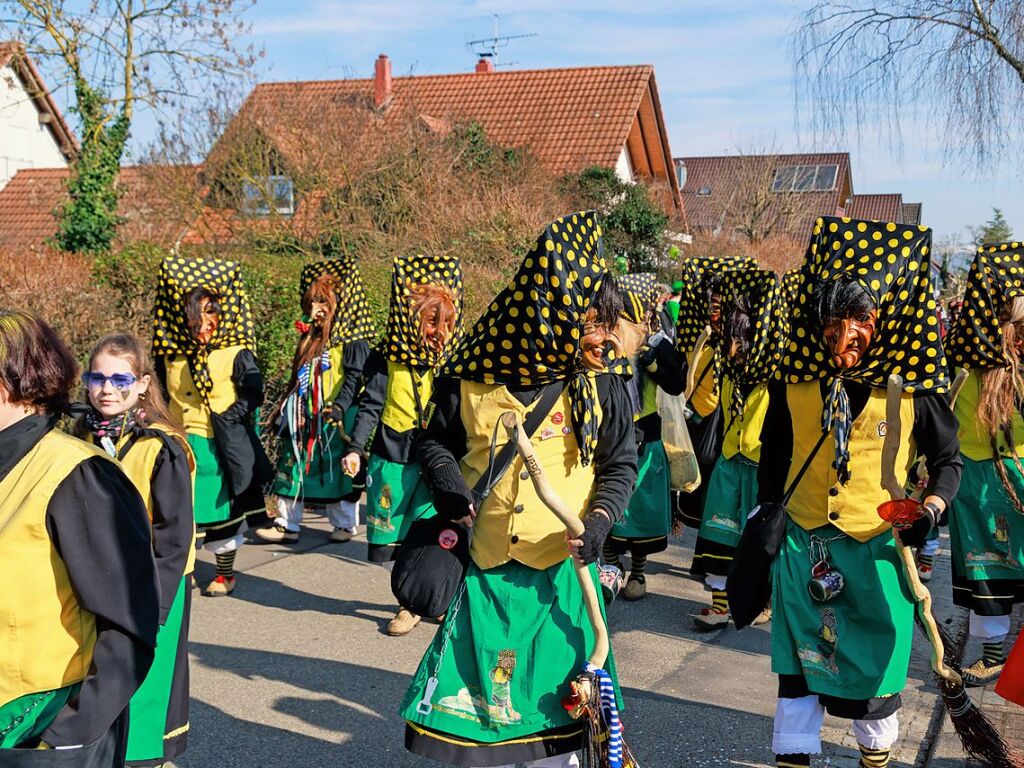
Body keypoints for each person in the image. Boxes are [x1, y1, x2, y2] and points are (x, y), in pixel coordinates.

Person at [402, 211, 638, 768]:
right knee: (482, 732)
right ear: (551, 314)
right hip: (484, 576)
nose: (605, 339)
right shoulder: (471, 375)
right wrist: (454, 495)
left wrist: (601, 521)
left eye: (609, 324)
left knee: (557, 730)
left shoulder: (602, 384)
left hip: (562, 583)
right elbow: (434, 443)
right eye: (592, 322)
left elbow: (620, 464)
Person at [757, 216, 961, 768]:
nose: (844, 336)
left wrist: (929, 513)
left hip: (878, 555)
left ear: (886, 316)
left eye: (861, 319)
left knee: (874, 694)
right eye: (832, 319)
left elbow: (947, 462)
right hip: (803, 551)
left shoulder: (914, 386)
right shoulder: (793, 377)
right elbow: (774, 457)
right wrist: (762, 520)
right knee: (798, 682)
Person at [0, 310, 159, 762]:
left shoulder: (78, 476)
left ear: (17, 384)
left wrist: (70, 733)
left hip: (39, 728)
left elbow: (128, 624)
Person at [77, 333, 195, 767]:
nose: (107, 389)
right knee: (101, 672)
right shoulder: (79, 433)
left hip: (153, 581)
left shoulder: (161, 446)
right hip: (98, 578)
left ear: (144, 383)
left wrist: (156, 604)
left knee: (148, 675)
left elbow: (175, 535)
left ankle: (150, 759)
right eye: (97, 378)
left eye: (120, 378)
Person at [342, 253, 464, 636]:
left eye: (446, 322)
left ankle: (431, 600)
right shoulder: (384, 357)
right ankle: (409, 601)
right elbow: (370, 405)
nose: (438, 330)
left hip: (438, 457)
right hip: (394, 455)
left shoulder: (455, 359)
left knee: (436, 529)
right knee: (396, 532)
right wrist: (355, 448)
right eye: (432, 321)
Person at [152, 256, 272, 597]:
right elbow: (158, 394)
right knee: (178, 515)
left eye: (211, 312)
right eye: (196, 314)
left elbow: (254, 394)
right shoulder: (170, 354)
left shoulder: (235, 352)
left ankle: (225, 574)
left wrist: (230, 416)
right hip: (177, 446)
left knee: (222, 514)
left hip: (220, 448)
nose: (204, 323)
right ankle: (183, 570)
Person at [944, 241, 1024, 686]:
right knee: (986, 567)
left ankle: (1006, 657)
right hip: (975, 477)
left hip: (1015, 473)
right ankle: (993, 653)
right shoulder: (964, 359)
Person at [690, 269, 785, 630]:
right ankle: (719, 605)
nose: (734, 345)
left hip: (763, 467)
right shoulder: (727, 368)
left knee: (760, 541)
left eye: (740, 337)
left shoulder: (778, 373)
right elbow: (704, 403)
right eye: (731, 336)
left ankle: (764, 600)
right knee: (719, 532)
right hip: (731, 460)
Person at [259, 257, 375, 544]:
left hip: (338, 415)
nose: (315, 310)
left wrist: (338, 407)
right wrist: (288, 408)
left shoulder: (353, 340)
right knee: (293, 463)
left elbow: (354, 378)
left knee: (338, 469)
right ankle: (287, 524)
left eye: (322, 303)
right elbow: (298, 377)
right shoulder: (310, 337)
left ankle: (345, 525)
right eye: (311, 303)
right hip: (305, 414)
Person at [603, 272, 685, 600]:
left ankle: (637, 572)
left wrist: (651, 361)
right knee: (603, 499)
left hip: (644, 434)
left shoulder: (655, 345)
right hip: (609, 433)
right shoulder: (603, 346)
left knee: (640, 508)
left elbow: (676, 384)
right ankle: (609, 565)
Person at [673, 255, 756, 531]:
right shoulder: (701, 339)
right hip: (701, 418)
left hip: (728, 423)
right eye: (711, 306)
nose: (714, 312)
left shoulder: (740, 344)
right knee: (700, 476)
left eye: (720, 306)